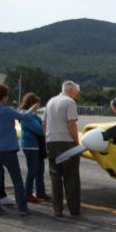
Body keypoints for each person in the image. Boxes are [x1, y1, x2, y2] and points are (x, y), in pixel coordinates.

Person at [0, 84, 38, 216]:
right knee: (16, 179)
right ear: (4, 97)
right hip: (7, 149)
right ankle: (22, 208)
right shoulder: (7, 111)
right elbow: (25, 117)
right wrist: (32, 109)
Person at [43, 81, 81, 217]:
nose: (77, 94)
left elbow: (44, 123)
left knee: (55, 177)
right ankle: (74, 209)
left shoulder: (50, 101)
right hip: (67, 143)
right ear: (71, 90)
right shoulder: (69, 102)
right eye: (76, 91)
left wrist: (47, 138)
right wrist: (77, 143)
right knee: (71, 178)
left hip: (51, 142)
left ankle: (57, 209)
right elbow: (72, 124)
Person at [19, 92, 51, 203]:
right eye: (37, 104)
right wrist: (44, 125)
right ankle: (27, 193)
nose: (38, 106)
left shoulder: (33, 115)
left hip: (37, 146)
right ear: (31, 104)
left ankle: (40, 192)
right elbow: (39, 130)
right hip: (30, 146)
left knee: (40, 170)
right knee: (32, 170)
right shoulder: (25, 115)